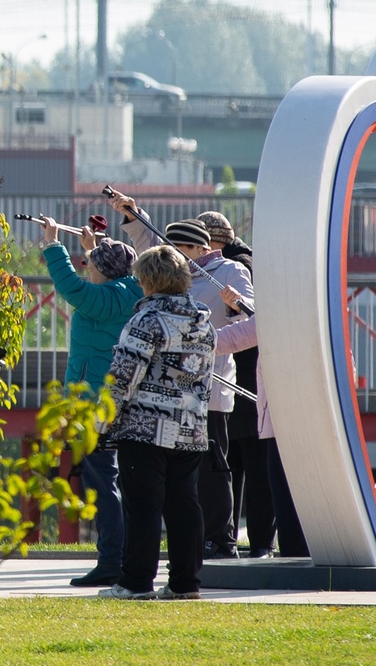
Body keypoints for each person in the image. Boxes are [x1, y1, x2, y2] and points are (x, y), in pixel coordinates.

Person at [110, 192, 254, 560]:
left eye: (179, 248)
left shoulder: (230, 271)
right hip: (174, 396)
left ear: (195, 248)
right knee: (182, 481)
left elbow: (255, 323)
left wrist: (206, 345)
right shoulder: (178, 274)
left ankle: (221, 538)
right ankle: (193, 547)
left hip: (211, 385)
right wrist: (134, 213)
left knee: (213, 467)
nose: (171, 254)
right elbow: (149, 246)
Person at [99, 246, 215, 601]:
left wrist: (101, 423)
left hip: (145, 427)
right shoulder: (203, 323)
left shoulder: (146, 320)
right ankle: (185, 583)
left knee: (143, 506)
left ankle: (136, 582)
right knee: (184, 505)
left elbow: (122, 378)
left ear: (147, 280)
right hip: (190, 427)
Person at [37, 216, 143, 587]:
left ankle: (112, 559)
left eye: (90, 264)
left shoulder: (106, 299)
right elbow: (97, 280)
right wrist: (91, 248)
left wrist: (53, 245)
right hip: (109, 398)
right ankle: (121, 556)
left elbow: (74, 290)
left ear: (104, 271)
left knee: (101, 481)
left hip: (95, 401)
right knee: (112, 479)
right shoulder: (126, 290)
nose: (86, 268)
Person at [196, 210, 275, 558]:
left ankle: (248, 542)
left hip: (242, 380)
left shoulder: (234, 269)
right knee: (246, 469)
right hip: (242, 380)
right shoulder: (244, 264)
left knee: (241, 469)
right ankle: (256, 542)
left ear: (212, 241)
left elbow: (252, 321)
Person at [215, 285, 309, 558]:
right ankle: (297, 552)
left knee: (283, 493)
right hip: (301, 417)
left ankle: (294, 556)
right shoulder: (308, 308)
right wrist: (241, 304)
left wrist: (189, 337)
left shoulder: (277, 312)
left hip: (279, 418)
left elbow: (234, 338)